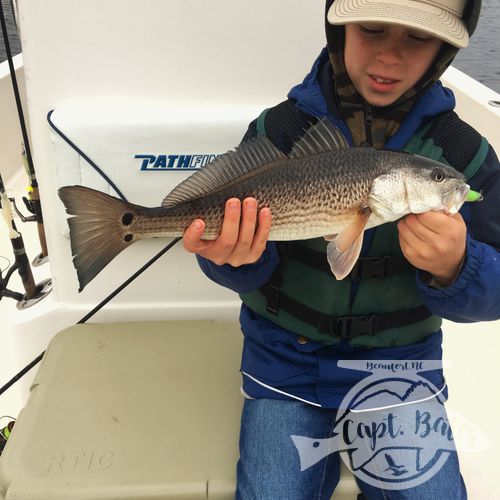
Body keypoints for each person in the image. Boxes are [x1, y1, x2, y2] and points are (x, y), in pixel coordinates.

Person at [184, 0, 499, 498]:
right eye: (372, 29)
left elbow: (496, 291)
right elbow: (240, 260)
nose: (390, 57)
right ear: (339, 28)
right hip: (283, 363)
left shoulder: (465, 155)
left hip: (401, 367)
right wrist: (233, 261)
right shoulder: (280, 132)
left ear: (444, 50)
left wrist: (458, 268)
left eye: (417, 38)